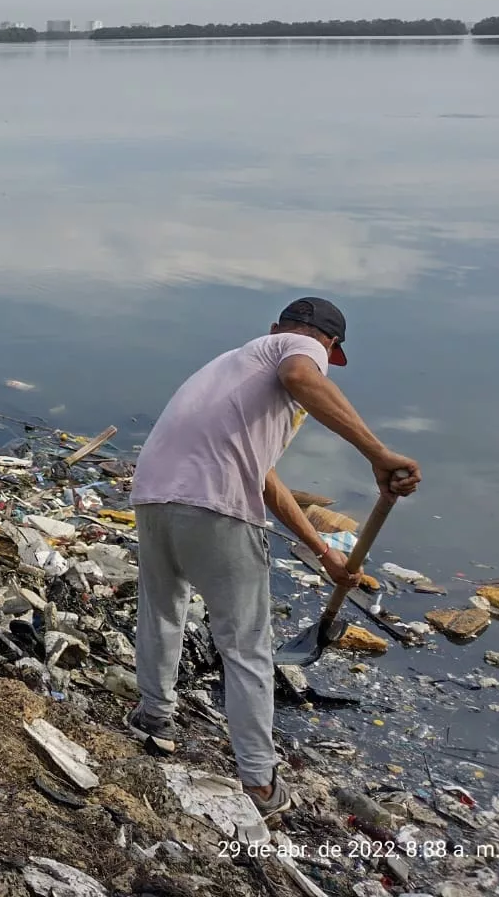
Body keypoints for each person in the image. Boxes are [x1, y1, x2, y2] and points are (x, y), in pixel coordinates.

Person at [128, 297, 421, 817]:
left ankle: (154, 717)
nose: (320, 363)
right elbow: (300, 376)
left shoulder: (229, 370)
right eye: (326, 356)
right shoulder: (296, 349)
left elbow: (264, 481)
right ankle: (260, 784)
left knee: (162, 613)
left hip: (153, 497)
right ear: (328, 345)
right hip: (215, 509)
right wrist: (379, 454)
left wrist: (323, 552)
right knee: (246, 648)